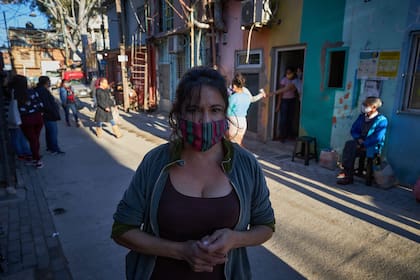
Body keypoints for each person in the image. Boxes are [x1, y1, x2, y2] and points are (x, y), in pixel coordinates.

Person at [111, 66, 275, 279]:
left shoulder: (246, 164)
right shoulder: (155, 162)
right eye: (193, 110)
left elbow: (266, 225)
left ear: (225, 112)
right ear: (179, 114)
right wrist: (181, 251)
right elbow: (122, 230)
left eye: (215, 110)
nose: (204, 121)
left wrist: (235, 239)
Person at [336, 96, 388, 185]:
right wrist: (358, 138)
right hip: (359, 142)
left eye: (366, 105)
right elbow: (353, 129)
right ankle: (347, 173)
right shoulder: (362, 117)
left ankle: (347, 175)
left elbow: (377, 138)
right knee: (349, 145)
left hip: (371, 145)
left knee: (351, 147)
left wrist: (364, 143)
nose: (364, 106)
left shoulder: (382, 120)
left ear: (374, 107)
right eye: (363, 104)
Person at [11, 75, 44, 168]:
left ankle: (37, 160)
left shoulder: (15, 94)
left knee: (32, 140)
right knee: (35, 140)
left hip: (26, 120)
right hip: (38, 118)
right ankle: (35, 158)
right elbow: (41, 104)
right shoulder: (32, 91)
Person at [227, 72, 266, 146]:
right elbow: (252, 99)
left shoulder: (233, 97)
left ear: (234, 86)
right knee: (239, 142)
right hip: (243, 121)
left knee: (232, 144)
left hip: (233, 121)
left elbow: (227, 111)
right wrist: (261, 95)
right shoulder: (246, 95)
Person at [35, 76, 65, 155]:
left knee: (49, 132)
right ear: (46, 82)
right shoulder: (43, 91)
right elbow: (46, 104)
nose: (50, 82)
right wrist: (53, 110)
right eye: (49, 81)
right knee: (53, 132)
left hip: (46, 114)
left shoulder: (40, 90)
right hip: (49, 115)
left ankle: (50, 147)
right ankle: (54, 149)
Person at [271, 66, 299, 142]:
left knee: (290, 119)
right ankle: (282, 136)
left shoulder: (296, 81)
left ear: (293, 73)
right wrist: (278, 105)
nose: (288, 74)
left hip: (292, 101)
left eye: (289, 73)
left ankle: (289, 135)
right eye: (287, 73)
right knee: (283, 119)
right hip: (285, 101)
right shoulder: (284, 80)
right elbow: (281, 92)